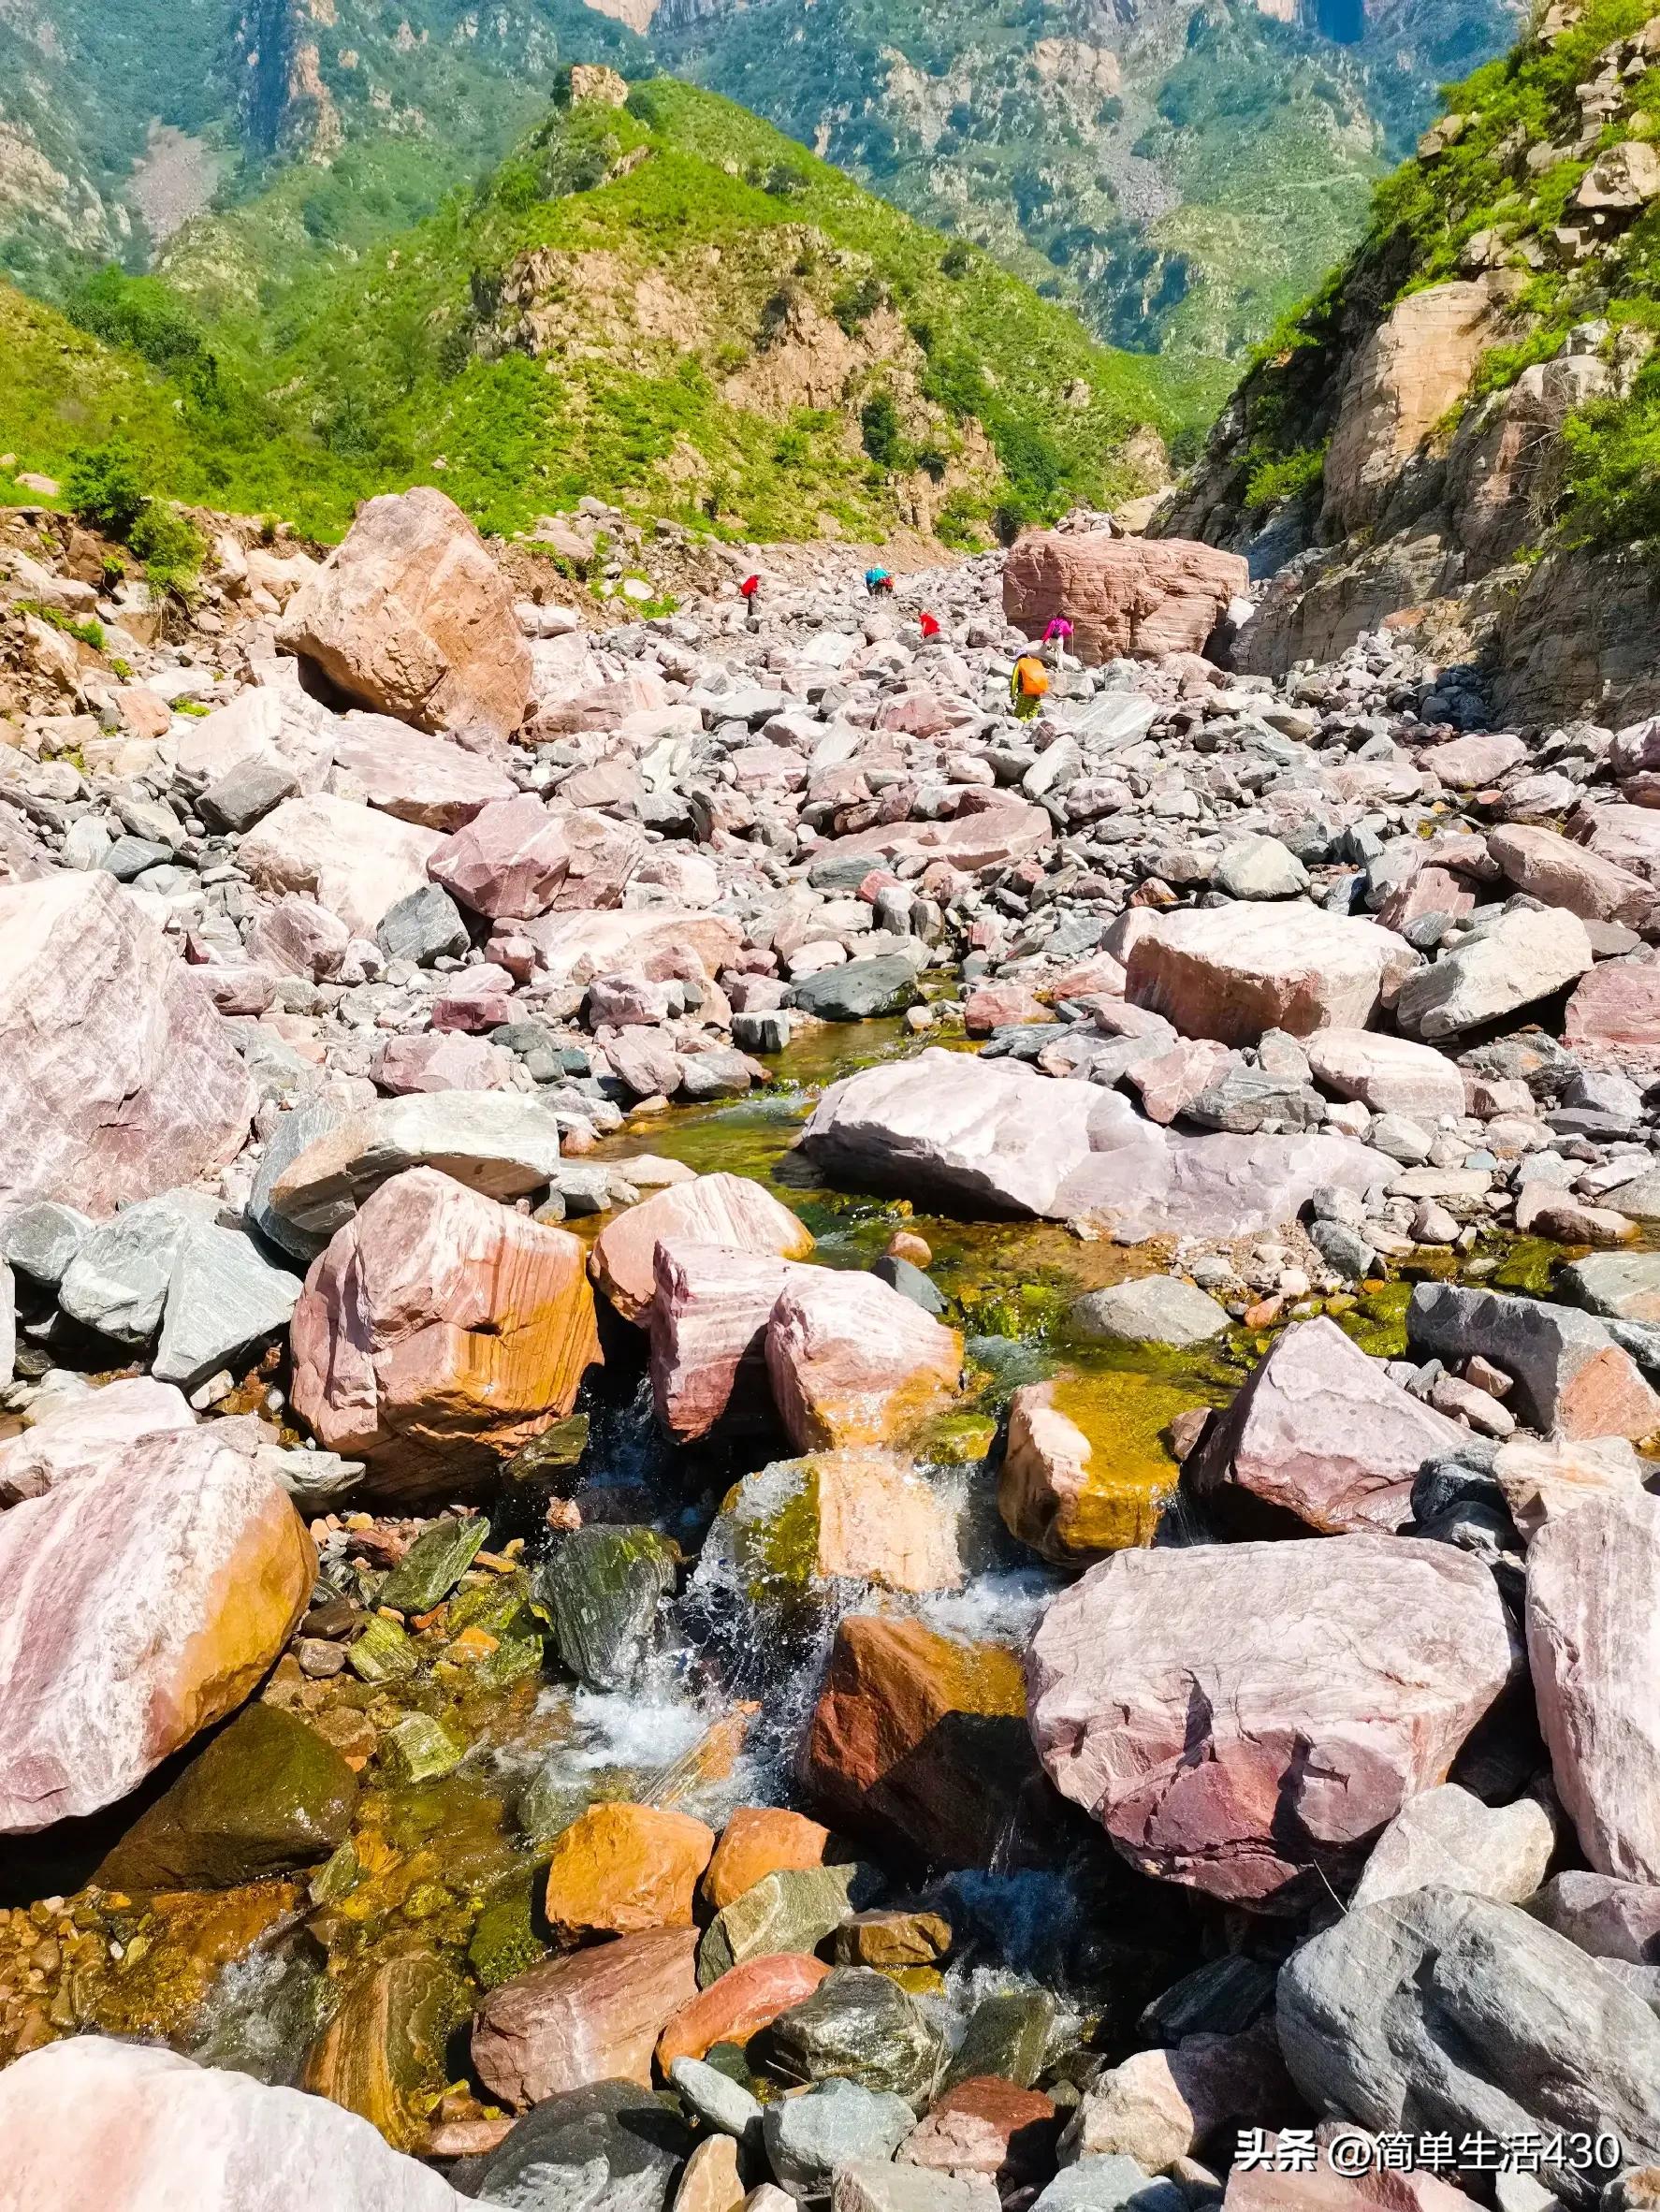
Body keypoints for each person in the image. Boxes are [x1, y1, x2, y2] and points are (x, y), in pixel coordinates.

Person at [1011, 651, 1049, 720]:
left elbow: (1014, 681)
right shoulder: (1036, 663)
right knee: (1032, 719)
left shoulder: (1019, 663)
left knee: (1019, 716)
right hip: (1037, 696)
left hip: (1025, 695)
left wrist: (1012, 697)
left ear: (1018, 657)